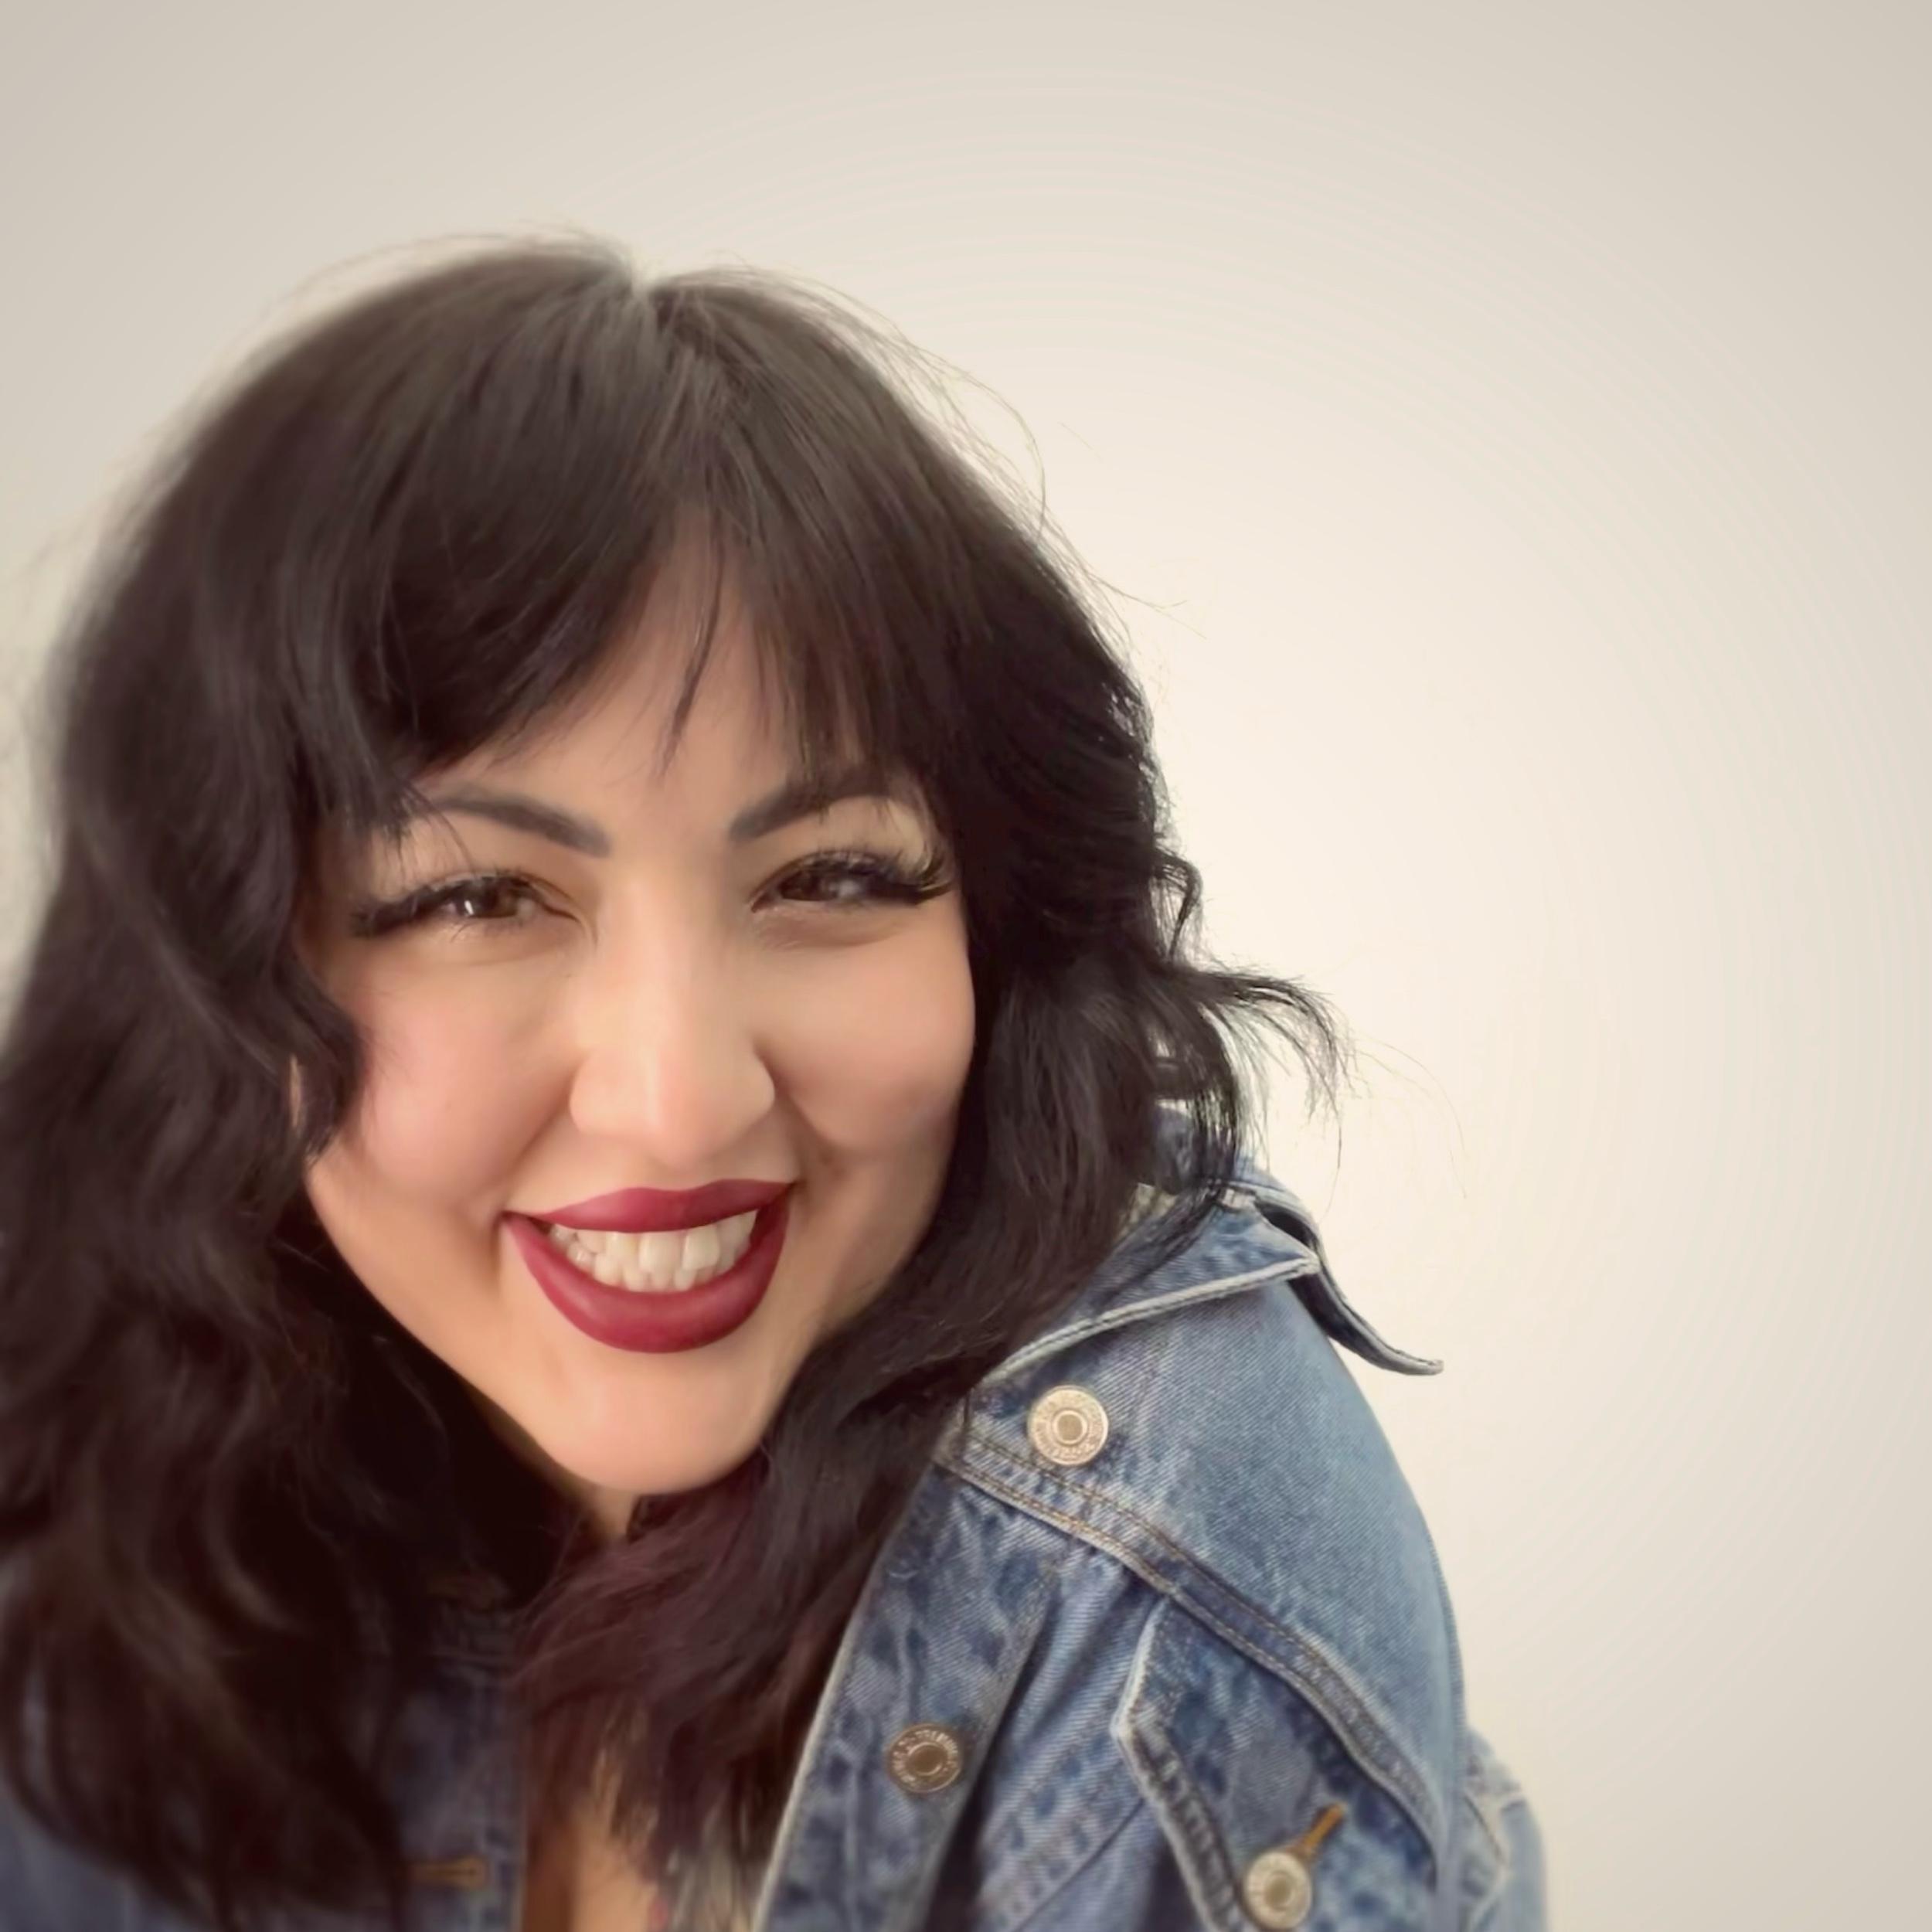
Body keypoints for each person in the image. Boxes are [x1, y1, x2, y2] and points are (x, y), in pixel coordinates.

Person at [0, 236, 1545, 1932]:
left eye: (831, 877)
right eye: (478, 897)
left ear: (1000, 934)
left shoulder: (1148, 1499)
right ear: (210, 977)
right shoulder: (106, 1455)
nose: (677, 1102)